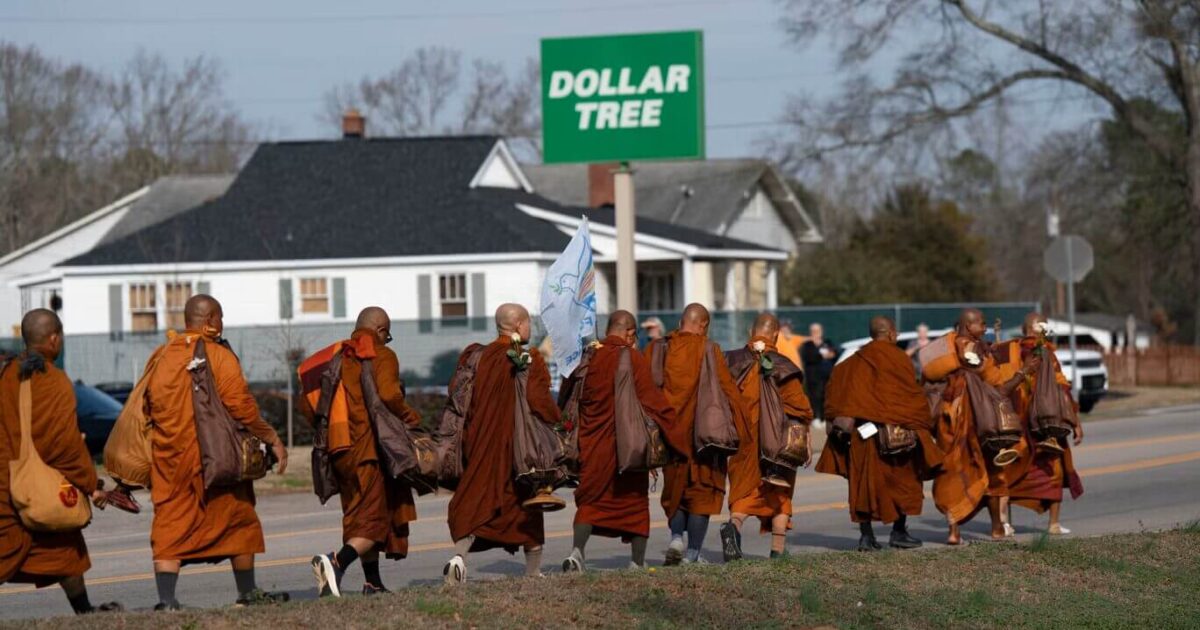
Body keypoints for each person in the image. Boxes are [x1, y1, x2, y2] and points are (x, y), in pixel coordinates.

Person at [143, 295, 289, 609]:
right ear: (210, 320)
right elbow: (241, 406)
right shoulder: (218, 356)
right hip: (215, 455)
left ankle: (166, 601)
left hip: (170, 458)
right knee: (238, 517)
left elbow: (144, 405)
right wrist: (272, 438)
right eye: (220, 318)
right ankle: (247, 593)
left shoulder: (162, 355)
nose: (222, 325)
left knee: (171, 524)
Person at [0, 310, 120, 614]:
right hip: (24, 483)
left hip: (4, 478)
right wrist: (90, 485)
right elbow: (63, 445)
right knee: (49, 545)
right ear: (54, 338)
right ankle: (83, 609)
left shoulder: (5, 373)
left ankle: (84, 610)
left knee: (64, 549)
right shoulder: (52, 380)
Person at [558, 311, 686, 572]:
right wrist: (678, 441)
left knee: (591, 500)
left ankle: (577, 552)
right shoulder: (632, 358)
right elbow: (654, 403)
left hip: (593, 444)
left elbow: (566, 396)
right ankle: (636, 562)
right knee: (634, 504)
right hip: (628, 447)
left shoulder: (587, 356)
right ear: (629, 333)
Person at [308, 307, 422, 597]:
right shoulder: (381, 355)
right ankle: (337, 562)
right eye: (388, 335)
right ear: (381, 330)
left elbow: (307, 404)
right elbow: (388, 394)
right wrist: (411, 417)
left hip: (338, 451)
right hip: (367, 448)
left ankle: (373, 583)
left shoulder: (335, 358)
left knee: (359, 515)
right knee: (376, 517)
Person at [443, 303, 560, 584]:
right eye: (529, 323)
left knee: (477, 500)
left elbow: (458, 395)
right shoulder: (527, 357)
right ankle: (533, 571)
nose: (530, 328)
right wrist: (560, 421)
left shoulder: (477, 357)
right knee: (526, 505)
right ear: (519, 325)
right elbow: (540, 402)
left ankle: (459, 558)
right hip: (517, 447)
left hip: (480, 442)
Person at [815, 316, 944, 551]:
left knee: (863, 483)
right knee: (902, 480)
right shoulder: (897, 358)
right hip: (894, 434)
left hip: (861, 437)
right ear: (892, 333)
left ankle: (866, 536)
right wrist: (921, 421)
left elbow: (835, 397)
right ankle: (898, 532)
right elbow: (909, 397)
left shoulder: (850, 363)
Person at [645, 303, 751, 565]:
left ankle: (676, 538)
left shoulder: (658, 348)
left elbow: (646, 389)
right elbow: (727, 390)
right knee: (702, 492)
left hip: (670, 436)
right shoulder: (708, 349)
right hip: (705, 438)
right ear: (703, 325)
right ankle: (692, 553)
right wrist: (743, 424)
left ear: (682, 322)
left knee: (676, 490)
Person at [924, 308, 1033, 544]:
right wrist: (1023, 372)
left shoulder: (947, 352)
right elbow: (1000, 389)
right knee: (994, 472)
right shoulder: (973, 351)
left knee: (951, 473)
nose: (984, 328)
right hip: (979, 423)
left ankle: (953, 532)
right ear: (968, 325)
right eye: (981, 324)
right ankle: (996, 528)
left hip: (948, 422)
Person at [721, 313, 814, 560]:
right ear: (775, 335)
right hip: (777, 441)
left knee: (743, 490)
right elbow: (800, 406)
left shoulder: (730, 361)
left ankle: (733, 527)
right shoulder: (783, 364)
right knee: (780, 493)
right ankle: (777, 551)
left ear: (751, 332)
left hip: (743, 439)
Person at [993, 312, 1084, 535]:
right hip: (1044, 422)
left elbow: (1061, 386)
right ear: (1028, 330)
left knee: (1011, 471)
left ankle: (1005, 523)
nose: (1040, 331)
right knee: (1051, 471)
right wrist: (1074, 422)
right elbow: (1062, 389)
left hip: (1022, 421)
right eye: (1038, 327)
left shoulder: (1012, 350)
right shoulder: (1033, 351)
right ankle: (1051, 524)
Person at [800, 323, 837, 421]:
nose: (816, 333)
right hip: (813, 375)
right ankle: (815, 417)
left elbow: (834, 353)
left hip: (827, 374)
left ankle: (825, 417)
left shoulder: (827, 342)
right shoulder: (807, 345)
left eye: (818, 331)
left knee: (826, 395)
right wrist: (821, 356)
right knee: (814, 396)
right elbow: (808, 357)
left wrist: (830, 355)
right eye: (814, 331)